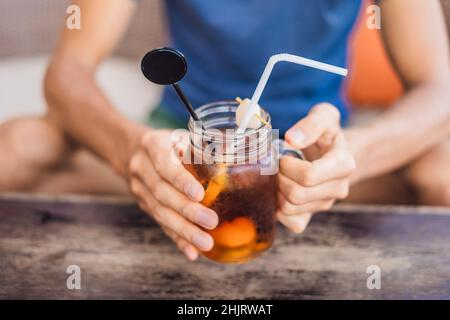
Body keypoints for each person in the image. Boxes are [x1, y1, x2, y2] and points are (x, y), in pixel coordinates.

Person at [0, 0, 449, 261]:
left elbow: (440, 89)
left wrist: (353, 157)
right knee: (18, 147)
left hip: (310, 161)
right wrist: (131, 152)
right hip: (181, 153)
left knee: (443, 171)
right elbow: (67, 72)